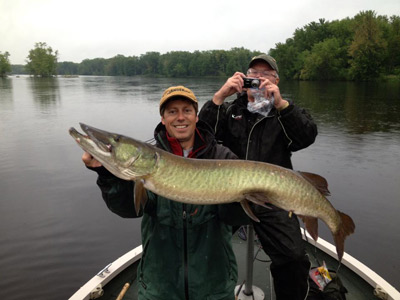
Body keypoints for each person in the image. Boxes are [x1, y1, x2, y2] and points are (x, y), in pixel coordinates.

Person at [82, 86, 247, 300]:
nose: (180, 117)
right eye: (172, 111)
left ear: (196, 117)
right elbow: (130, 209)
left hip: (213, 284)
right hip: (160, 285)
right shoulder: (147, 161)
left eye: (187, 110)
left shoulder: (222, 157)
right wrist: (106, 173)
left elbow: (237, 217)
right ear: (163, 119)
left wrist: (245, 198)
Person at [199, 54, 318, 300]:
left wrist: (282, 105)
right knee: (202, 247)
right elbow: (201, 135)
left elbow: (306, 137)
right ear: (244, 78)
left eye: (266, 74)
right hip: (228, 194)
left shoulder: (283, 113)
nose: (259, 78)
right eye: (254, 73)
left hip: (272, 198)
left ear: (276, 80)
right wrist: (219, 96)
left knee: (294, 258)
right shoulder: (231, 109)